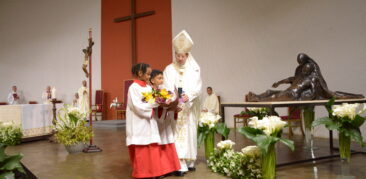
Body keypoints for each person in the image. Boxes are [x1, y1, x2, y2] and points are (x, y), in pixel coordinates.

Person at [163, 30, 202, 175]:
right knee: (177, 134)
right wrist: (174, 99)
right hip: (175, 108)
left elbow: (197, 87)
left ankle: (190, 160)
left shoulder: (194, 69)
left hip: (188, 106)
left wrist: (188, 96)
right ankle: (179, 162)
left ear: (187, 55)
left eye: (182, 56)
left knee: (189, 132)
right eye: (177, 55)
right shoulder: (168, 69)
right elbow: (166, 87)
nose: (179, 58)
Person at [127, 63, 174, 178]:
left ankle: (154, 172)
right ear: (140, 73)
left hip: (150, 121)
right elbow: (137, 106)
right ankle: (143, 173)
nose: (149, 76)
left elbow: (156, 99)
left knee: (152, 146)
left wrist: (165, 101)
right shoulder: (134, 88)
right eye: (148, 74)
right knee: (142, 148)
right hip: (139, 122)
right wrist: (155, 103)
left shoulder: (148, 87)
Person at [149, 69, 181, 176]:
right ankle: (160, 169)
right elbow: (150, 104)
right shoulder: (149, 91)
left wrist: (175, 105)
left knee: (168, 140)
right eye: (159, 78)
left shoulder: (164, 91)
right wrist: (161, 102)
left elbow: (173, 99)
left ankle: (170, 167)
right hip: (156, 120)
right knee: (159, 142)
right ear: (152, 80)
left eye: (162, 78)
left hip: (165, 119)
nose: (162, 80)